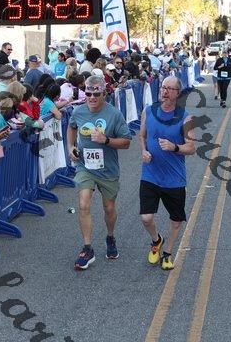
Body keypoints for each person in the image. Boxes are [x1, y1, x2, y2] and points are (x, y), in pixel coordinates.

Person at [67, 74, 132, 270]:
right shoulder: (78, 111)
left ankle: (110, 237)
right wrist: (71, 147)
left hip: (107, 169)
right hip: (85, 166)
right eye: (88, 94)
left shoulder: (114, 114)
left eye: (96, 94)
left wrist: (106, 140)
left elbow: (126, 142)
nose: (92, 98)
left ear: (104, 93)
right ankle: (87, 249)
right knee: (83, 204)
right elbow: (71, 127)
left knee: (109, 208)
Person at [139, 76, 195, 270]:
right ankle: (156, 241)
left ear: (178, 93)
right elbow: (142, 136)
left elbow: (191, 147)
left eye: (170, 89)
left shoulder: (186, 117)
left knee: (176, 220)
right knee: (146, 217)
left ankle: (168, 252)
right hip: (150, 174)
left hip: (174, 178)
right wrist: (143, 151)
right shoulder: (148, 111)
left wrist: (174, 147)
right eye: (163, 87)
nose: (165, 91)